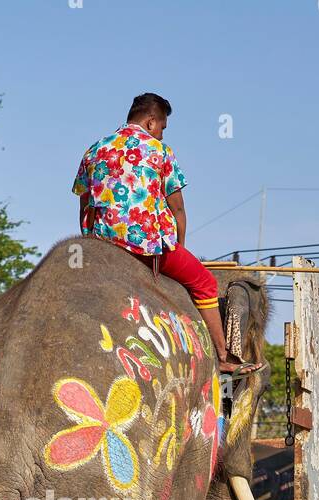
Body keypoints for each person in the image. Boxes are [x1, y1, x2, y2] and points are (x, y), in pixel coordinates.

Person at [73, 93, 259, 375]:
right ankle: (222, 356)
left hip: (104, 246)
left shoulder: (95, 150)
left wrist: (93, 243)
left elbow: (84, 206)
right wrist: (180, 249)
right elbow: (178, 209)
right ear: (150, 122)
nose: (161, 133)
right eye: (161, 127)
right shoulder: (160, 151)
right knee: (206, 283)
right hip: (149, 249)